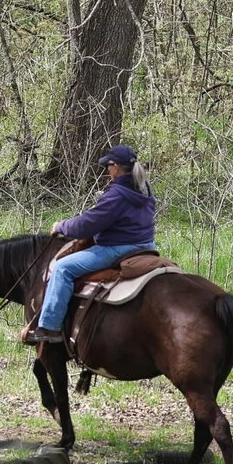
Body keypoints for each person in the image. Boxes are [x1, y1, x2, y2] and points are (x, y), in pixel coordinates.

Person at [26, 145, 156, 346]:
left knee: (62, 268)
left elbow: (88, 224)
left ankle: (50, 327)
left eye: (108, 166)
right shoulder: (144, 189)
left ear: (117, 167)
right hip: (146, 246)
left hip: (117, 249)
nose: (107, 171)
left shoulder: (116, 195)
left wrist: (61, 226)